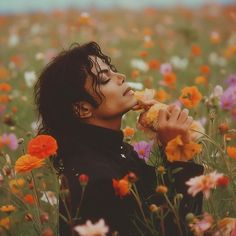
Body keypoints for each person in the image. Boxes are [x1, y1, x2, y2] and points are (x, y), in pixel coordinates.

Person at [34, 41, 203, 236]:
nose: (121, 77)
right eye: (105, 78)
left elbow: (161, 205)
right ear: (83, 109)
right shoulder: (95, 180)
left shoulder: (117, 151)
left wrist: (167, 141)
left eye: (113, 71)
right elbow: (175, 229)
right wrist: (179, 155)